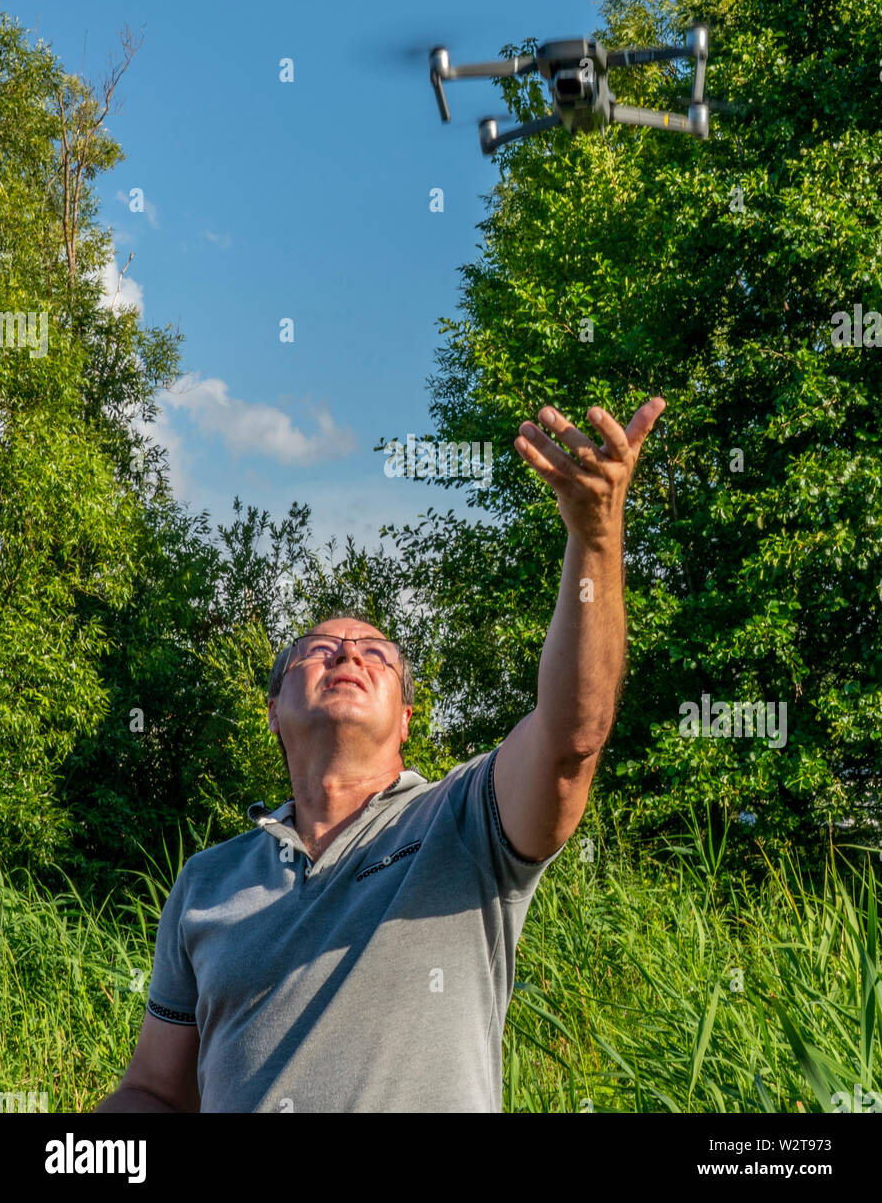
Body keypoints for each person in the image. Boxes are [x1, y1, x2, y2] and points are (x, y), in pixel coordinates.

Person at [95, 397, 665, 1113]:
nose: (346, 654)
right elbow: (153, 1093)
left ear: (404, 719)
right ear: (273, 710)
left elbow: (571, 737)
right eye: (319, 649)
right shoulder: (207, 883)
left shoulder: (465, 824)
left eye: (375, 653)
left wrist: (595, 536)